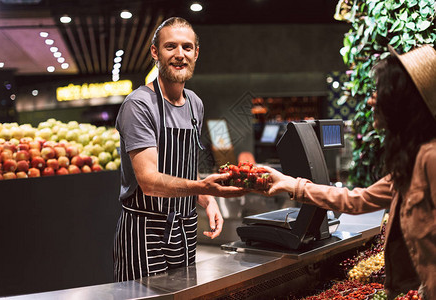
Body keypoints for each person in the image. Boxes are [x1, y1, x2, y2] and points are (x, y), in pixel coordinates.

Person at [262, 45, 436, 300]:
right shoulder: (411, 161)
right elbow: (359, 200)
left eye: (380, 91)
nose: (371, 99)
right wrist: (291, 185)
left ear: (404, 100)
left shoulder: (430, 159)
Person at [113, 17, 244, 281]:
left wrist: (207, 200)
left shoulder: (195, 103)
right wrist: (205, 188)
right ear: (155, 52)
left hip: (184, 227)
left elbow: (183, 167)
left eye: (187, 47)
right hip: (144, 229)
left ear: (196, 53)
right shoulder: (139, 105)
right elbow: (149, 181)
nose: (179, 55)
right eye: (170, 47)